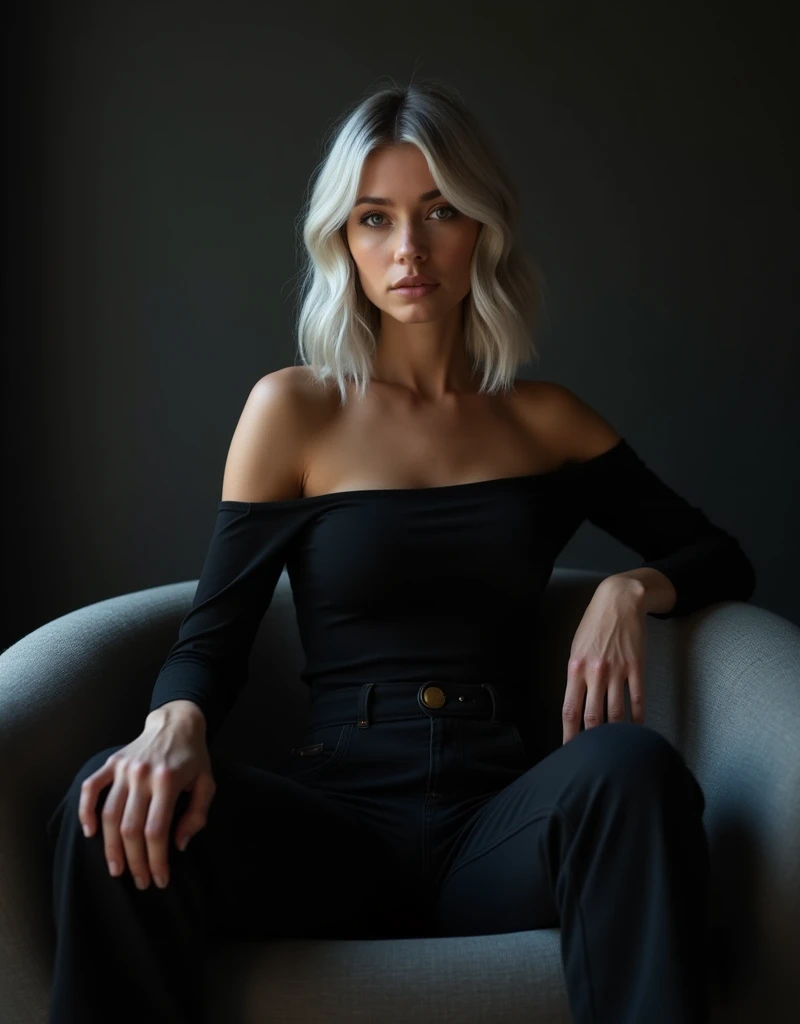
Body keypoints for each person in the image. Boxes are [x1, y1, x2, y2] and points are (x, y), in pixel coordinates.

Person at [45, 78, 756, 1024]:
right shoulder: (294, 410)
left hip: (497, 828)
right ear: (343, 240)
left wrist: (631, 587)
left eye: (440, 212)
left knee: (633, 769)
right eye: (375, 219)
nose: (408, 250)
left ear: (483, 231)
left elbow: (718, 555)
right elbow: (215, 635)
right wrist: (175, 721)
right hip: (336, 824)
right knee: (110, 805)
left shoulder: (545, 423)